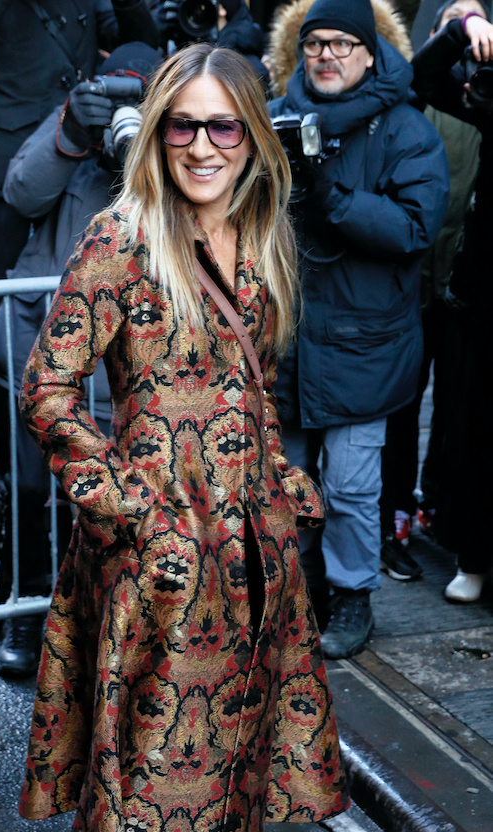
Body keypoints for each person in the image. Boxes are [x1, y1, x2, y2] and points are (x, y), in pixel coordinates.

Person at [18, 42, 349, 832]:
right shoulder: (120, 239)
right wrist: (134, 505)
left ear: (255, 136)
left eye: (222, 126)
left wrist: (276, 477)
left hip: (242, 563)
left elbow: (238, 399)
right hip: (151, 573)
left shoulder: (259, 240)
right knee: (140, 778)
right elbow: (49, 395)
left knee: (189, 773)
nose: (201, 145)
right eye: (181, 125)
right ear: (153, 133)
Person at [267, 0, 449, 657]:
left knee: (348, 486)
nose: (327, 55)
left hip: (363, 345)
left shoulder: (405, 130)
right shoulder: (276, 118)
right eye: (316, 43)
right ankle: (302, 592)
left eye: (343, 43)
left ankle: (352, 598)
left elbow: (414, 227)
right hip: (288, 341)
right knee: (291, 482)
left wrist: (331, 197)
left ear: (372, 54)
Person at [0, 42, 161, 678]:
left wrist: (147, 144)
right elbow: (20, 192)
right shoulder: (76, 129)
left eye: (135, 97)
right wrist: (68, 132)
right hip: (39, 348)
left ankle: (106, 625)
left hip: (126, 365)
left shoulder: (173, 141)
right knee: (31, 487)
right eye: (111, 93)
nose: (120, 111)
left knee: (114, 498)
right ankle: (26, 615)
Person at [0, 0, 159, 356]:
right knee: (3, 305)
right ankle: (4, 401)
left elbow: (140, 43)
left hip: (75, 156)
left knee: (74, 294)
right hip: (2, 166)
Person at [379, 0, 486, 583]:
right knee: (400, 405)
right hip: (415, 281)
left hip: (463, 286)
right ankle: (394, 517)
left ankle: (442, 508)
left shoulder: (483, 92)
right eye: (454, 17)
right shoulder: (425, 88)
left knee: (456, 409)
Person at [412, 8, 493, 601]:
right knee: (471, 431)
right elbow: (423, 82)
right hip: (480, 295)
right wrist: (463, 23)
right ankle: (474, 555)